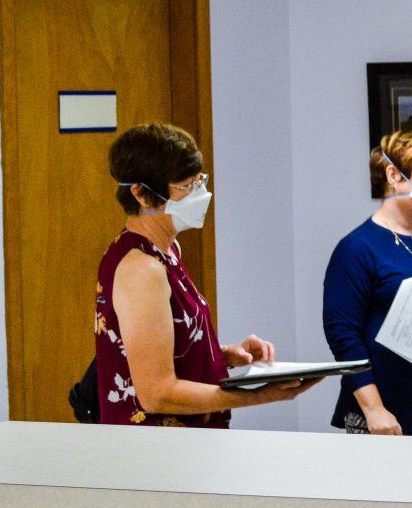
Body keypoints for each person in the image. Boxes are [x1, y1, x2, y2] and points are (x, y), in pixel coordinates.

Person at [94, 123, 316, 427]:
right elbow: (157, 394)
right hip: (154, 452)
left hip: (191, 442)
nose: (199, 194)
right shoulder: (140, 269)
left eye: (199, 181)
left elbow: (164, 349)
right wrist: (262, 396)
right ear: (141, 194)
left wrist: (223, 355)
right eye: (186, 186)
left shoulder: (168, 251)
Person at [321, 132, 412, 436]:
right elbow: (343, 335)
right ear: (394, 175)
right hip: (386, 412)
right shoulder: (357, 248)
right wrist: (374, 409)